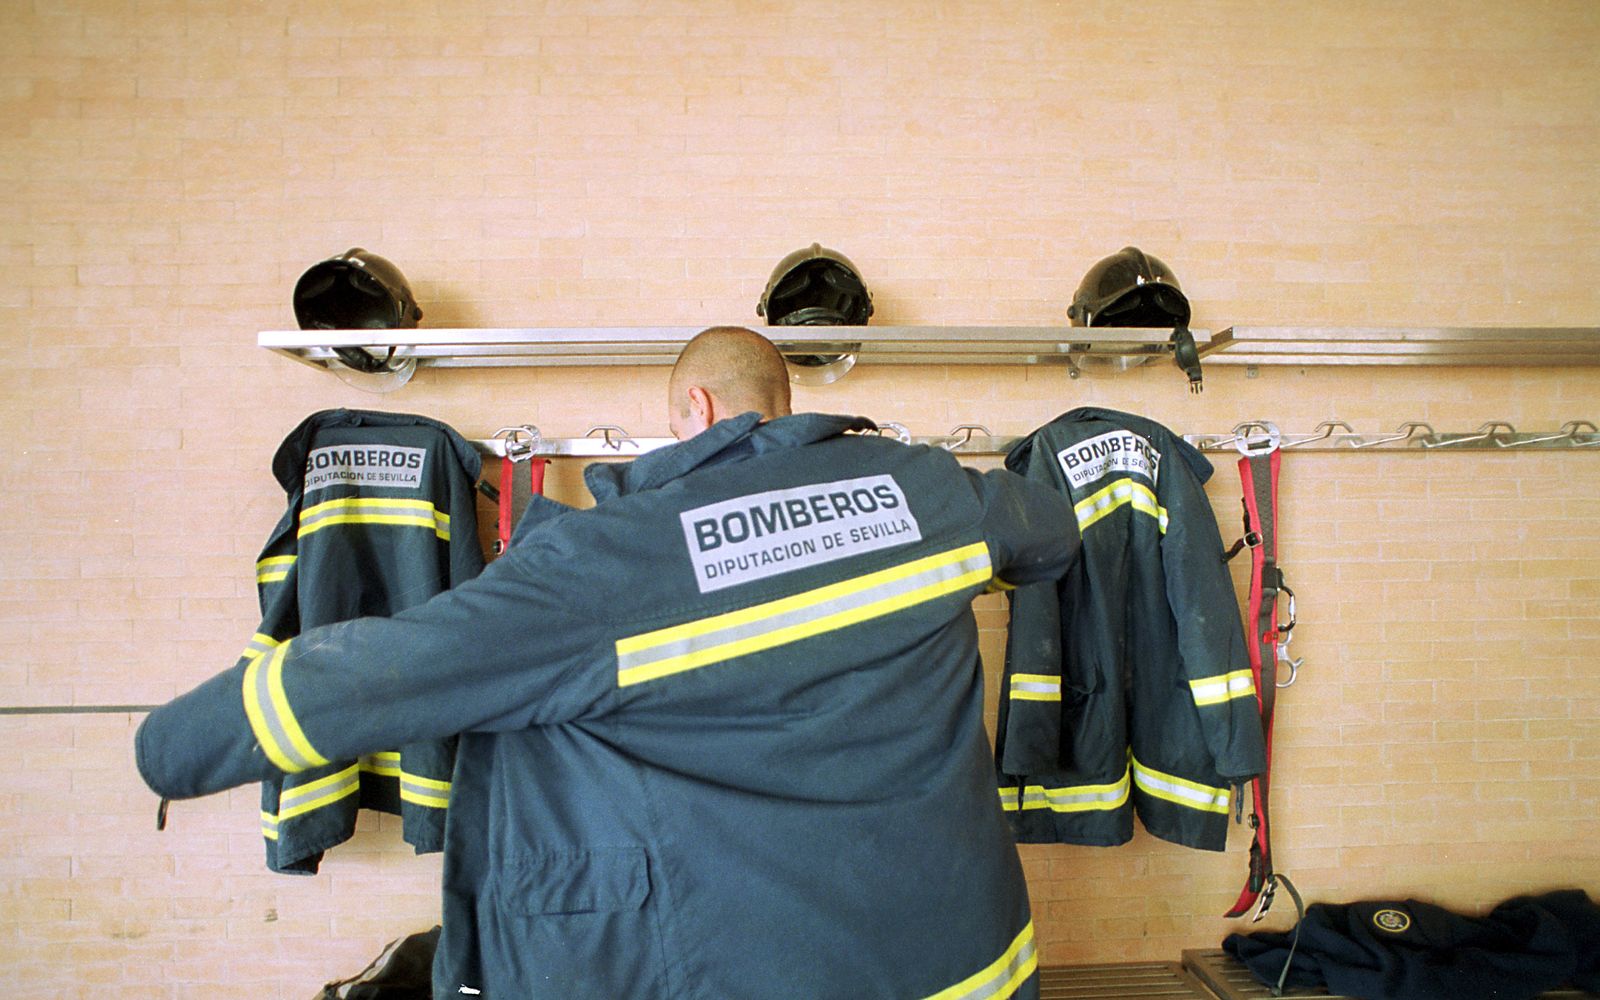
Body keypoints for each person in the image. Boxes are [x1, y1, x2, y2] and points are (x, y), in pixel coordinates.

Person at [136, 326, 1078, 999]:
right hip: (972, 958)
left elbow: (379, 669)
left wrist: (169, 750)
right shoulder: (922, 491)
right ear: (788, 406)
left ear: (697, 411)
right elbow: (1050, 535)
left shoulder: (606, 564)